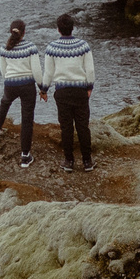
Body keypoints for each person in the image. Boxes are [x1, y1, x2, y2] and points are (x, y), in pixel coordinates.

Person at [41, 12, 95, 171]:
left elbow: (48, 73)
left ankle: (69, 161)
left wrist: (44, 90)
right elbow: (90, 70)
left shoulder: (51, 48)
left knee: (66, 127)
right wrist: (89, 87)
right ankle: (87, 162)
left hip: (62, 91)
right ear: (73, 28)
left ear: (58, 29)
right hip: (80, 91)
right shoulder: (83, 46)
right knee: (83, 126)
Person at [0, 19, 41, 167]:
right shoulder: (31, 47)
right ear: (24, 33)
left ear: (11, 31)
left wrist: (9, 81)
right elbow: (36, 71)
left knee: (5, 102)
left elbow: (3, 71)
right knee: (27, 118)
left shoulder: (4, 48)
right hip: (28, 86)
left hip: (10, 84)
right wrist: (42, 88)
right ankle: (25, 156)